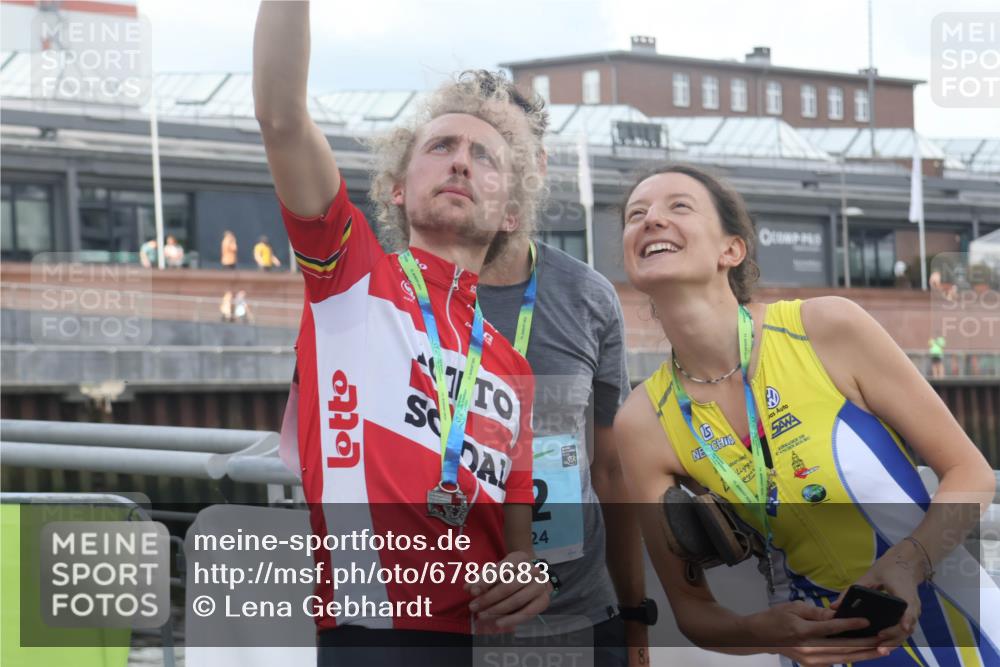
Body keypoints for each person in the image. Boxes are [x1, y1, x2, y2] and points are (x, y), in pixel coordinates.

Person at [255, 3, 550, 664]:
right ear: (394, 189)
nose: (462, 163)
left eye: (485, 155)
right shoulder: (351, 275)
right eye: (441, 146)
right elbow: (281, 117)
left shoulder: (512, 368)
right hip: (367, 638)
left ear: (508, 211)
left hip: (486, 648)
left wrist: (529, 574)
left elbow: (521, 546)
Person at [613, 164, 998, 666]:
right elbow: (693, 612)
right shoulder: (642, 422)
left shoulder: (826, 327)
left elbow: (971, 473)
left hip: (961, 631)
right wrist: (762, 634)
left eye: (678, 206)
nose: (651, 220)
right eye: (635, 214)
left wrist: (909, 562)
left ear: (732, 250)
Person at [472, 71, 650, 667]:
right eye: (471, 148)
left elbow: (612, 473)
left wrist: (634, 617)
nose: (487, 163)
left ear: (538, 165)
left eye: (507, 148)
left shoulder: (589, 296)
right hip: (452, 618)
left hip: (580, 613)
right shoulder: (400, 296)